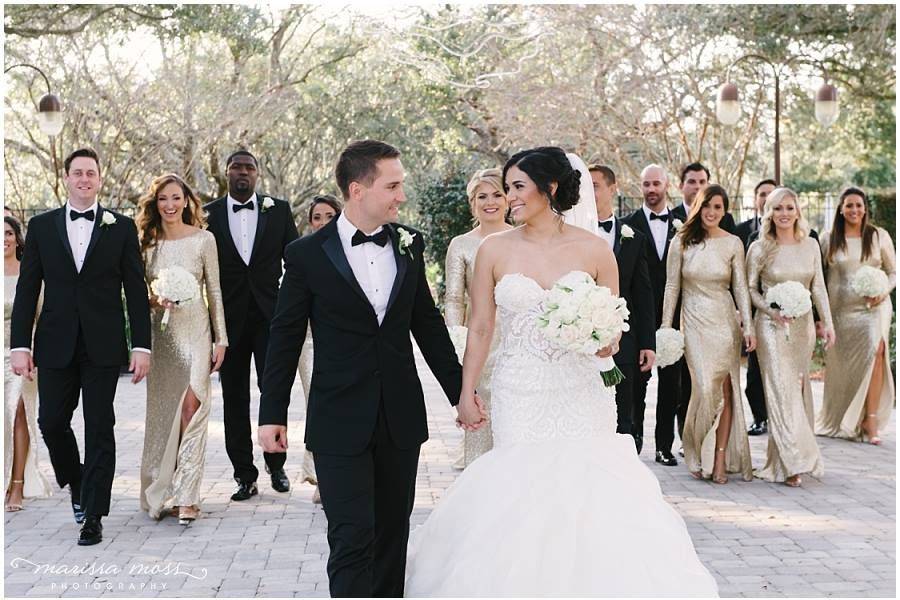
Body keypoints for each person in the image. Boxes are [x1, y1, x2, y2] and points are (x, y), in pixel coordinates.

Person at [405, 147, 717, 596]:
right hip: (520, 390)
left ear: (549, 188)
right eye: (506, 188)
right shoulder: (494, 250)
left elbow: (613, 328)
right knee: (523, 490)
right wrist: (466, 389)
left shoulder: (594, 249)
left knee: (587, 490)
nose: (509, 197)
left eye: (517, 187)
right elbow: (480, 326)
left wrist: (600, 335)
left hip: (581, 389)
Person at [257, 140, 474, 597]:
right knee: (352, 537)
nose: (401, 196)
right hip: (338, 418)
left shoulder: (409, 245)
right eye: (392, 186)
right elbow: (284, 336)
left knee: (392, 539)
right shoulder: (305, 255)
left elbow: (428, 326)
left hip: (399, 417)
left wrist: (462, 393)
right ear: (358, 189)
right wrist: (271, 413)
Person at [10, 148, 152, 545]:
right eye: (77, 173)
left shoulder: (121, 227)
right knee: (52, 422)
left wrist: (142, 345)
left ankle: (93, 513)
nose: (84, 179)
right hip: (54, 342)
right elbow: (27, 289)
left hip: (103, 344)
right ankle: (76, 481)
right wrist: (19, 344)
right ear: (67, 178)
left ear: (99, 179)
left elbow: (136, 291)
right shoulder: (41, 226)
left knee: (99, 426)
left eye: (91, 172)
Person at [204, 150, 299, 501]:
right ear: (227, 173)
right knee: (234, 399)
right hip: (227, 323)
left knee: (273, 391)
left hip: (270, 317)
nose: (242, 172)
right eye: (236, 166)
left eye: (249, 167)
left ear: (258, 174)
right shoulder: (208, 214)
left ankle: (277, 465)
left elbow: (296, 262)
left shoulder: (279, 210)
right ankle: (244, 475)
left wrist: (291, 308)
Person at [136, 174, 228, 523]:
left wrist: (223, 339)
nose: (170, 205)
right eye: (163, 199)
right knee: (163, 416)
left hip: (197, 334)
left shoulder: (205, 240)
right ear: (155, 204)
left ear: (187, 201)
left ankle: (188, 495)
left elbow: (215, 293)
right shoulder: (147, 244)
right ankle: (164, 489)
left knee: (193, 408)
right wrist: (156, 300)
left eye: (176, 198)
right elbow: (137, 296)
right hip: (163, 339)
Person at [661, 185, 755, 484]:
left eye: (717, 207)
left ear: (725, 211)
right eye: (706, 206)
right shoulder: (681, 242)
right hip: (694, 321)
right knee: (703, 388)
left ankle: (718, 460)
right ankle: (696, 447)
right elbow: (672, 287)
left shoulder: (733, 244)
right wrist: (666, 327)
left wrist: (748, 326)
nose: (711, 212)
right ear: (697, 208)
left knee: (726, 391)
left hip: (724, 320)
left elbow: (740, 287)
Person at [746, 187, 834, 486]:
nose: (784, 213)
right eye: (777, 208)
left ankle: (782, 460)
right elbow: (750, 290)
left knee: (795, 389)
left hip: (803, 327)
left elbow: (819, 287)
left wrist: (828, 324)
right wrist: (771, 312)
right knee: (779, 391)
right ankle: (794, 462)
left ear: (798, 211)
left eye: (789, 208)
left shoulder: (810, 245)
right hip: (771, 327)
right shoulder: (759, 248)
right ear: (769, 213)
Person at [445, 168, 513, 468]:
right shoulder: (461, 244)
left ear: (509, 199)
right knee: (482, 414)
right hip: (480, 343)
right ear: (473, 203)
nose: (490, 202)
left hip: (517, 340)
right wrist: (456, 339)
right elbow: (454, 299)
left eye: (497, 194)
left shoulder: (524, 238)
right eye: (482, 196)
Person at [817, 187, 895, 444]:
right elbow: (819, 279)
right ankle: (842, 416)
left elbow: (894, 272)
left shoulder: (878, 236)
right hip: (840, 311)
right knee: (844, 366)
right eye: (849, 205)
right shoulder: (829, 238)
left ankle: (870, 420)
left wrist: (882, 291)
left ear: (865, 208)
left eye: (858, 205)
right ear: (841, 209)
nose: (854, 210)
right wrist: (822, 316)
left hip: (873, 308)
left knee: (876, 351)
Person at [589, 164, 655, 451]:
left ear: (612, 189)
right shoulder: (570, 236)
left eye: (594, 185)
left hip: (625, 341)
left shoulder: (634, 237)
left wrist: (648, 344)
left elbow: (643, 294)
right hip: (580, 341)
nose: (587, 192)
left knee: (624, 415)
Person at [620, 164, 682, 466]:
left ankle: (664, 446)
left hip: (674, 318)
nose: (651, 189)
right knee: (636, 386)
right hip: (639, 319)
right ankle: (635, 443)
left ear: (667, 185)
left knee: (672, 386)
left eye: (656, 183)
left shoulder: (684, 224)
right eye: (646, 184)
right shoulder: (626, 226)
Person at [298, 194, 344, 503]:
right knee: (317, 407)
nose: (323, 222)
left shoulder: (348, 252)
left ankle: (331, 476)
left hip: (338, 344)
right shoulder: (301, 254)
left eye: (329, 216)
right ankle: (320, 476)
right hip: (308, 343)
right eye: (317, 217)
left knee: (338, 408)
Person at [4, 215, 52, 511]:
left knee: (19, 411)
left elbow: (41, 316)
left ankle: (18, 485)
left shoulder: (30, 272)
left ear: (17, 238)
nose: (4, 238)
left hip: (21, 354)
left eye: (8, 233)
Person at [736, 179, 777, 436]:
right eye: (762, 194)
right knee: (754, 373)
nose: (766, 199)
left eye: (771, 194)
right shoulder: (745, 233)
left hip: (792, 317)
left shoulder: (806, 236)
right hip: (756, 312)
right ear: (756, 199)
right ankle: (760, 417)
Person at [671, 162, 736, 234]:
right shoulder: (671, 217)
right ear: (681, 186)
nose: (697, 187)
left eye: (702, 182)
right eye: (692, 182)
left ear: (708, 185)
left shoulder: (725, 219)